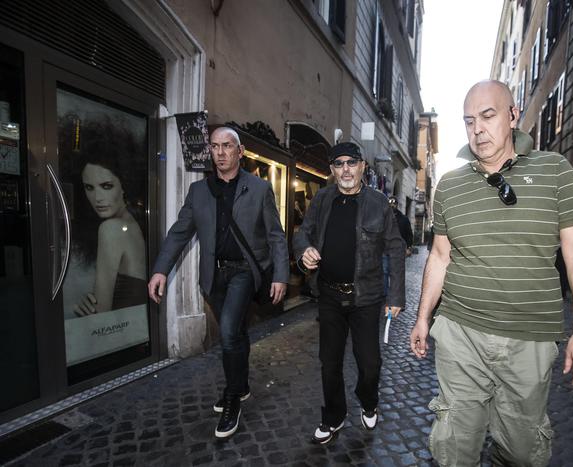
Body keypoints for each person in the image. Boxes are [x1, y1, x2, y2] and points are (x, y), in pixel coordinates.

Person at [409, 80, 573, 466]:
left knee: (521, 450)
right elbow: (441, 256)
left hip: (530, 338)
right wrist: (423, 317)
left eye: (487, 116)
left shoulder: (554, 171)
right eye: (469, 121)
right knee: (453, 444)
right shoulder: (449, 185)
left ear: (513, 116)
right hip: (460, 331)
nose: (477, 129)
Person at [148, 126, 289, 439]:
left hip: (244, 272)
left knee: (227, 332)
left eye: (227, 146)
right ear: (210, 150)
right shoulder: (199, 191)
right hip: (213, 275)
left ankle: (233, 397)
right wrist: (160, 270)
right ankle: (242, 384)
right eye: (215, 146)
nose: (221, 152)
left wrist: (281, 275)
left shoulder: (259, 188)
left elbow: (275, 236)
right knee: (236, 332)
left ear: (240, 152)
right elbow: (179, 233)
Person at [293, 142, 405, 444]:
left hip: (366, 298)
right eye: (339, 164)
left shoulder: (378, 202)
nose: (345, 170)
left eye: (351, 163)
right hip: (329, 295)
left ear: (362, 166)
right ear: (332, 169)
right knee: (329, 362)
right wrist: (304, 251)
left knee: (370, 364)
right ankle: (334, 415)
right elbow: (303, 233)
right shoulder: (322, 199)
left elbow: (395, 248)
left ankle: (368, 400)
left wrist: (396, 296)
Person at [64, 125, 148, 317]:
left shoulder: (111, 229)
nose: (98, 198)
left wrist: (83, 310)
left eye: (106, 186)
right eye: (89, 188)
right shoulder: (133, 222)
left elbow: (101, 315)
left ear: (124, 185)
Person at [383, 196, 414, 294]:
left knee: (396, 273)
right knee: (384, 272)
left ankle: (395, 294)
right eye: (390, 204)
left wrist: (409, 247)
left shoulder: (404, 219)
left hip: (398, 251)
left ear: (397, 205)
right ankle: (385, 294)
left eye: (394, 203)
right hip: (384, 249)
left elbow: (409, 234)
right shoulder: (383, 217)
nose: (392, 205)